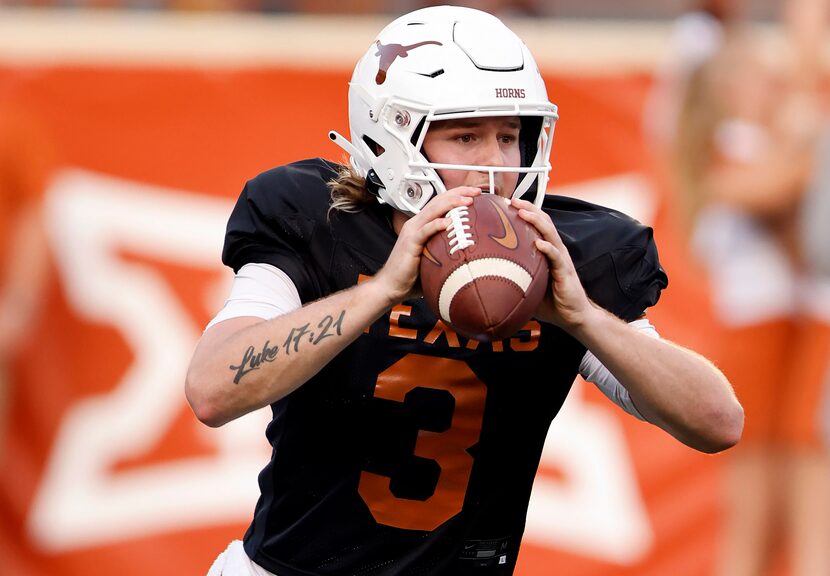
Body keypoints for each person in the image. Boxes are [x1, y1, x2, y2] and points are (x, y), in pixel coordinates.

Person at [185, 6, 743, 575]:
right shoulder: (318, 220)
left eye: (509, 136)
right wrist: (379, 293)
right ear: (392, 134)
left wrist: (582, 317)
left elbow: (719, 423)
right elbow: (212, 389)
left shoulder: (564, 257)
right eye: (466, 136)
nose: (495, 166)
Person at [656, 1, 830, 573]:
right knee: (761, 475)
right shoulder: (731, 144)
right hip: (756, 327)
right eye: (757, 76)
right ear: (727, 92)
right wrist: (805, 104)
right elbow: (784, 188)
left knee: (798, 466)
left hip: (793, 326)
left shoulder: (758, 140)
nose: (770, 84)